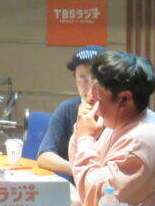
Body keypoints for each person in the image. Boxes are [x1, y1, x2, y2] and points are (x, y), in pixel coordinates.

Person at [69, 51, 155, 206]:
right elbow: (79, 169)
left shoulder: (142, 140)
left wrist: (85, 138)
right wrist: (81, 129)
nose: (90, 94)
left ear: (124, 99)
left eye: (97, 89)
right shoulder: (121, 120)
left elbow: (95, 196)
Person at [37, 45, 106, 177]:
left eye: (95, 77)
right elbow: (44, 156)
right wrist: (81, 171)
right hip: (77, 185)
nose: (90, 84)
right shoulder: (67, 108)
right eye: (82, 77)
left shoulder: (119, 110)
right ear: (75, 79)